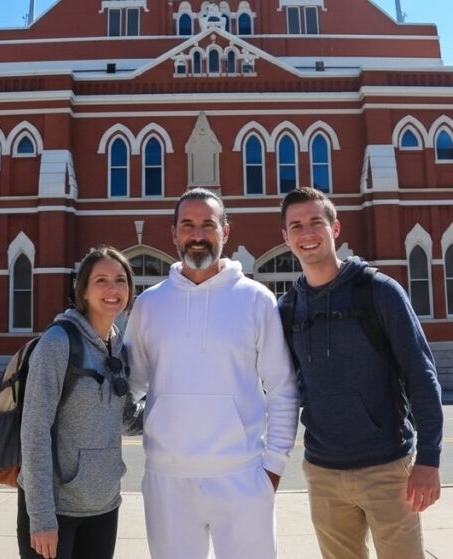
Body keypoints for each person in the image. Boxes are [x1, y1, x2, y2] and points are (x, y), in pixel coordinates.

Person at [125, 188, 300, 558]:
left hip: (242, 476)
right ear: (174, 233)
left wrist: (272, 468)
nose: (198, 235)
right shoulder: (149, 304)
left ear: (225, 231)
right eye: (188, 225)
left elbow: (282, 387)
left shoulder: (255, 299)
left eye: (208, 224)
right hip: (166, 479)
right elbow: (128, 388)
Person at [279, 187, 444, 559]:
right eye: (297, 226)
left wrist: (429, 458)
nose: (307, 234)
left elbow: (421, 374)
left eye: (316, 222)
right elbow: (280, 386)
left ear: (335, 228)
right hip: (322, 472)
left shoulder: (379, 292)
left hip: (387, 468)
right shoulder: (287, 309)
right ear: (285, 236)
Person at [19, 246, 135, 559]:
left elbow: (124, 418)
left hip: (104, 504)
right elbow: (34, 432)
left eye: (121, 280)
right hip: (57, 509)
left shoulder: (117, 345)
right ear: (83, 289)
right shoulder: (58, 343)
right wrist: (41, 517)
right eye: (101, 280)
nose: (113, 289)